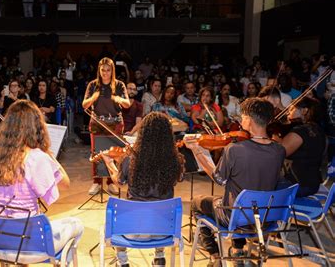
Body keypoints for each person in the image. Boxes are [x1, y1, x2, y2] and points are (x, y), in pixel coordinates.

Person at [0, 100, 83, 261]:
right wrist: (48, 155)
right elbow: (65, 183)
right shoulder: (36, 157)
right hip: (29, 244)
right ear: (36, 127)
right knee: (76, 224)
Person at [188, 98, 285, 267]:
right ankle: (238, 252)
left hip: (236, 218)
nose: (241, 120)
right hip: (266, 217)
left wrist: (199, 153)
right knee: (239, 197)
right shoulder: (279, 150)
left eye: (243, 116)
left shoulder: (234, 149)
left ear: (250, 119)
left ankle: (215, 256)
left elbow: (219, 179)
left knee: (197, 202)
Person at [103, 112, 182, 267]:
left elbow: (118, 182)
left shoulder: (131, 159)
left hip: (131, 231)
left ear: (142, 133)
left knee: (115, 218)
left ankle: (123, 260)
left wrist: (109, 163)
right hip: (164, 232)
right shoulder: (174, 161)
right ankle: (159, 256)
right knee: (159, 206)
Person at [82, 57, 130, 196]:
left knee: (113, 153)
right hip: (97, 123)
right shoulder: (93, 85)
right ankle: (97, 182)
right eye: (103, 70)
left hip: (115, 123)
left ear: (112, 71)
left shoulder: (119, 85)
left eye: (108, 70)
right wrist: (93, 98)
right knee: (96, 153)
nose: (105, 73)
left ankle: (111, 182)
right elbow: (84, 105)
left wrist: (118, 99)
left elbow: (127, 104)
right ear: (99, 70)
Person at [278, 98, 327, 197]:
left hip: (298, 185)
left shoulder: (300, 131)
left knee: (262, 184)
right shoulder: (317, 129)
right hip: (312, 183)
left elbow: (278, 154)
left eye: (292, 109)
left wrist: (273, 135)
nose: (288, 112)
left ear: (304, 111)